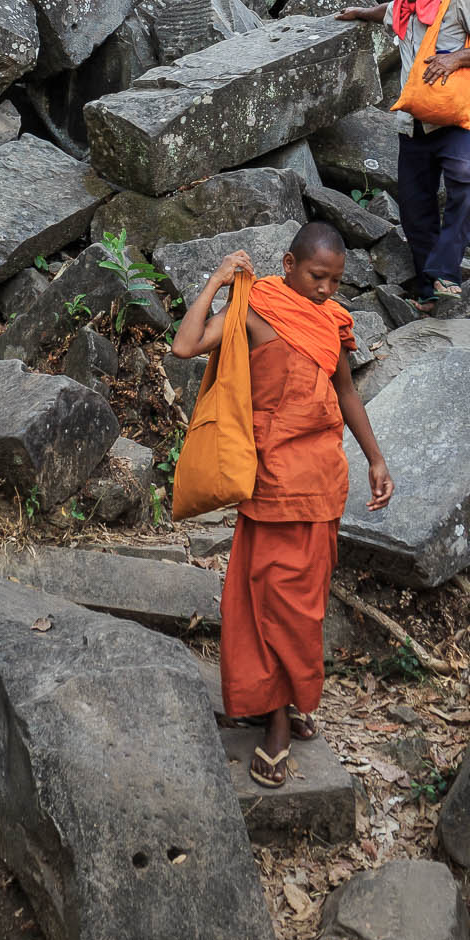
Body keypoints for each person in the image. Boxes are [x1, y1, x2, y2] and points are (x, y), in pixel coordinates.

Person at [171, 222, 393, 788]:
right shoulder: (255, 308)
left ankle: (284, 711)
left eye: (336, 281)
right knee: (261, 603)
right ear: (289, 265)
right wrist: (217, 282)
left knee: (299, 608)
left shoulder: (332, 322)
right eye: (318, 276)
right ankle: (272, 712)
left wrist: (376, 458)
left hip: (319, 483)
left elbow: (346, 392)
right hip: (268, 480)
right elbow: (185, 345)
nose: (326, 290)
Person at [340, 0, 470, 312]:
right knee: (415, 208)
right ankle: (428, 291)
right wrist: (359, 12)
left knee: (464, 182)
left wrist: (455, 59)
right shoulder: (402, 7)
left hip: (460, 117)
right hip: (415, 120)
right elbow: (385, 10)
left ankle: (445, 272)